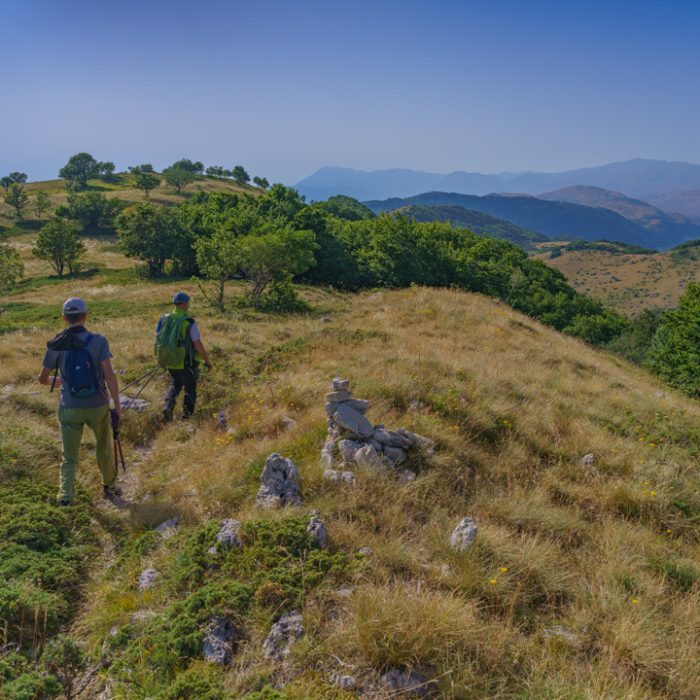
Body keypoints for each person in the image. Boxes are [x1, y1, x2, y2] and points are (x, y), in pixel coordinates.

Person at [38, 298, 122, 506]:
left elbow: (42, 378)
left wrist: (55, 381)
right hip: (98, 405)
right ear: (85, 316)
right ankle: (109, 486)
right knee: (103, 448)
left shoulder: (56, 344)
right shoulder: (99, 341)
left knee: (69, 456)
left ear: (64, 318)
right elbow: (109, 376)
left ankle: (65, 496)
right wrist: (117, 406)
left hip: (69, 406)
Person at [157, 291, 212, 421]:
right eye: (188, 302)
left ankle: (167, 407)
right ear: (185, 303)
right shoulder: (188, 322)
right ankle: (187, 417)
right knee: (190, 387)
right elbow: (197, 344)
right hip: (186, 361)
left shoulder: (164, 319)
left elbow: (158, 338)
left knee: (175, 383)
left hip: (169, 359)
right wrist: (207, 360)